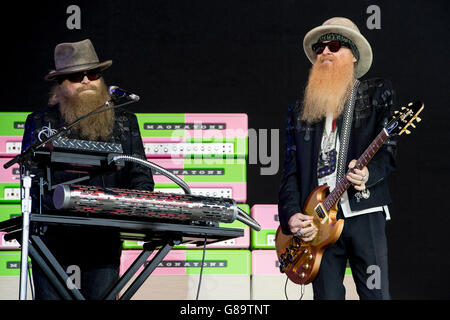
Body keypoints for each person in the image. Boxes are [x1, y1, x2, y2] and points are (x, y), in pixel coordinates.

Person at [22, 39, 154, 299]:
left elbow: (141, 177)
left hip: (102, 241)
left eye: (93, 74)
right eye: (75, 76)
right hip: (52, 239)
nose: (86, 81)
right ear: (60, 85)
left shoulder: (125, 121)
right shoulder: (41, 121)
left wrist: (130, 207)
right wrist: (65, 204)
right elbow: (32, 179)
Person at [278, 17, 397, 300]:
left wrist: (368, 174)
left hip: (363, 213)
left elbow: (389, 151)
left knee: (376, 295)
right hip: (317, 223)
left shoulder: (376, 93)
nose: (325, 53)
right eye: (320, 48)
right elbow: (290, 172)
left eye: (334, 45)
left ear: (353, 55)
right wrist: (292, 215)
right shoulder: (300, 111)